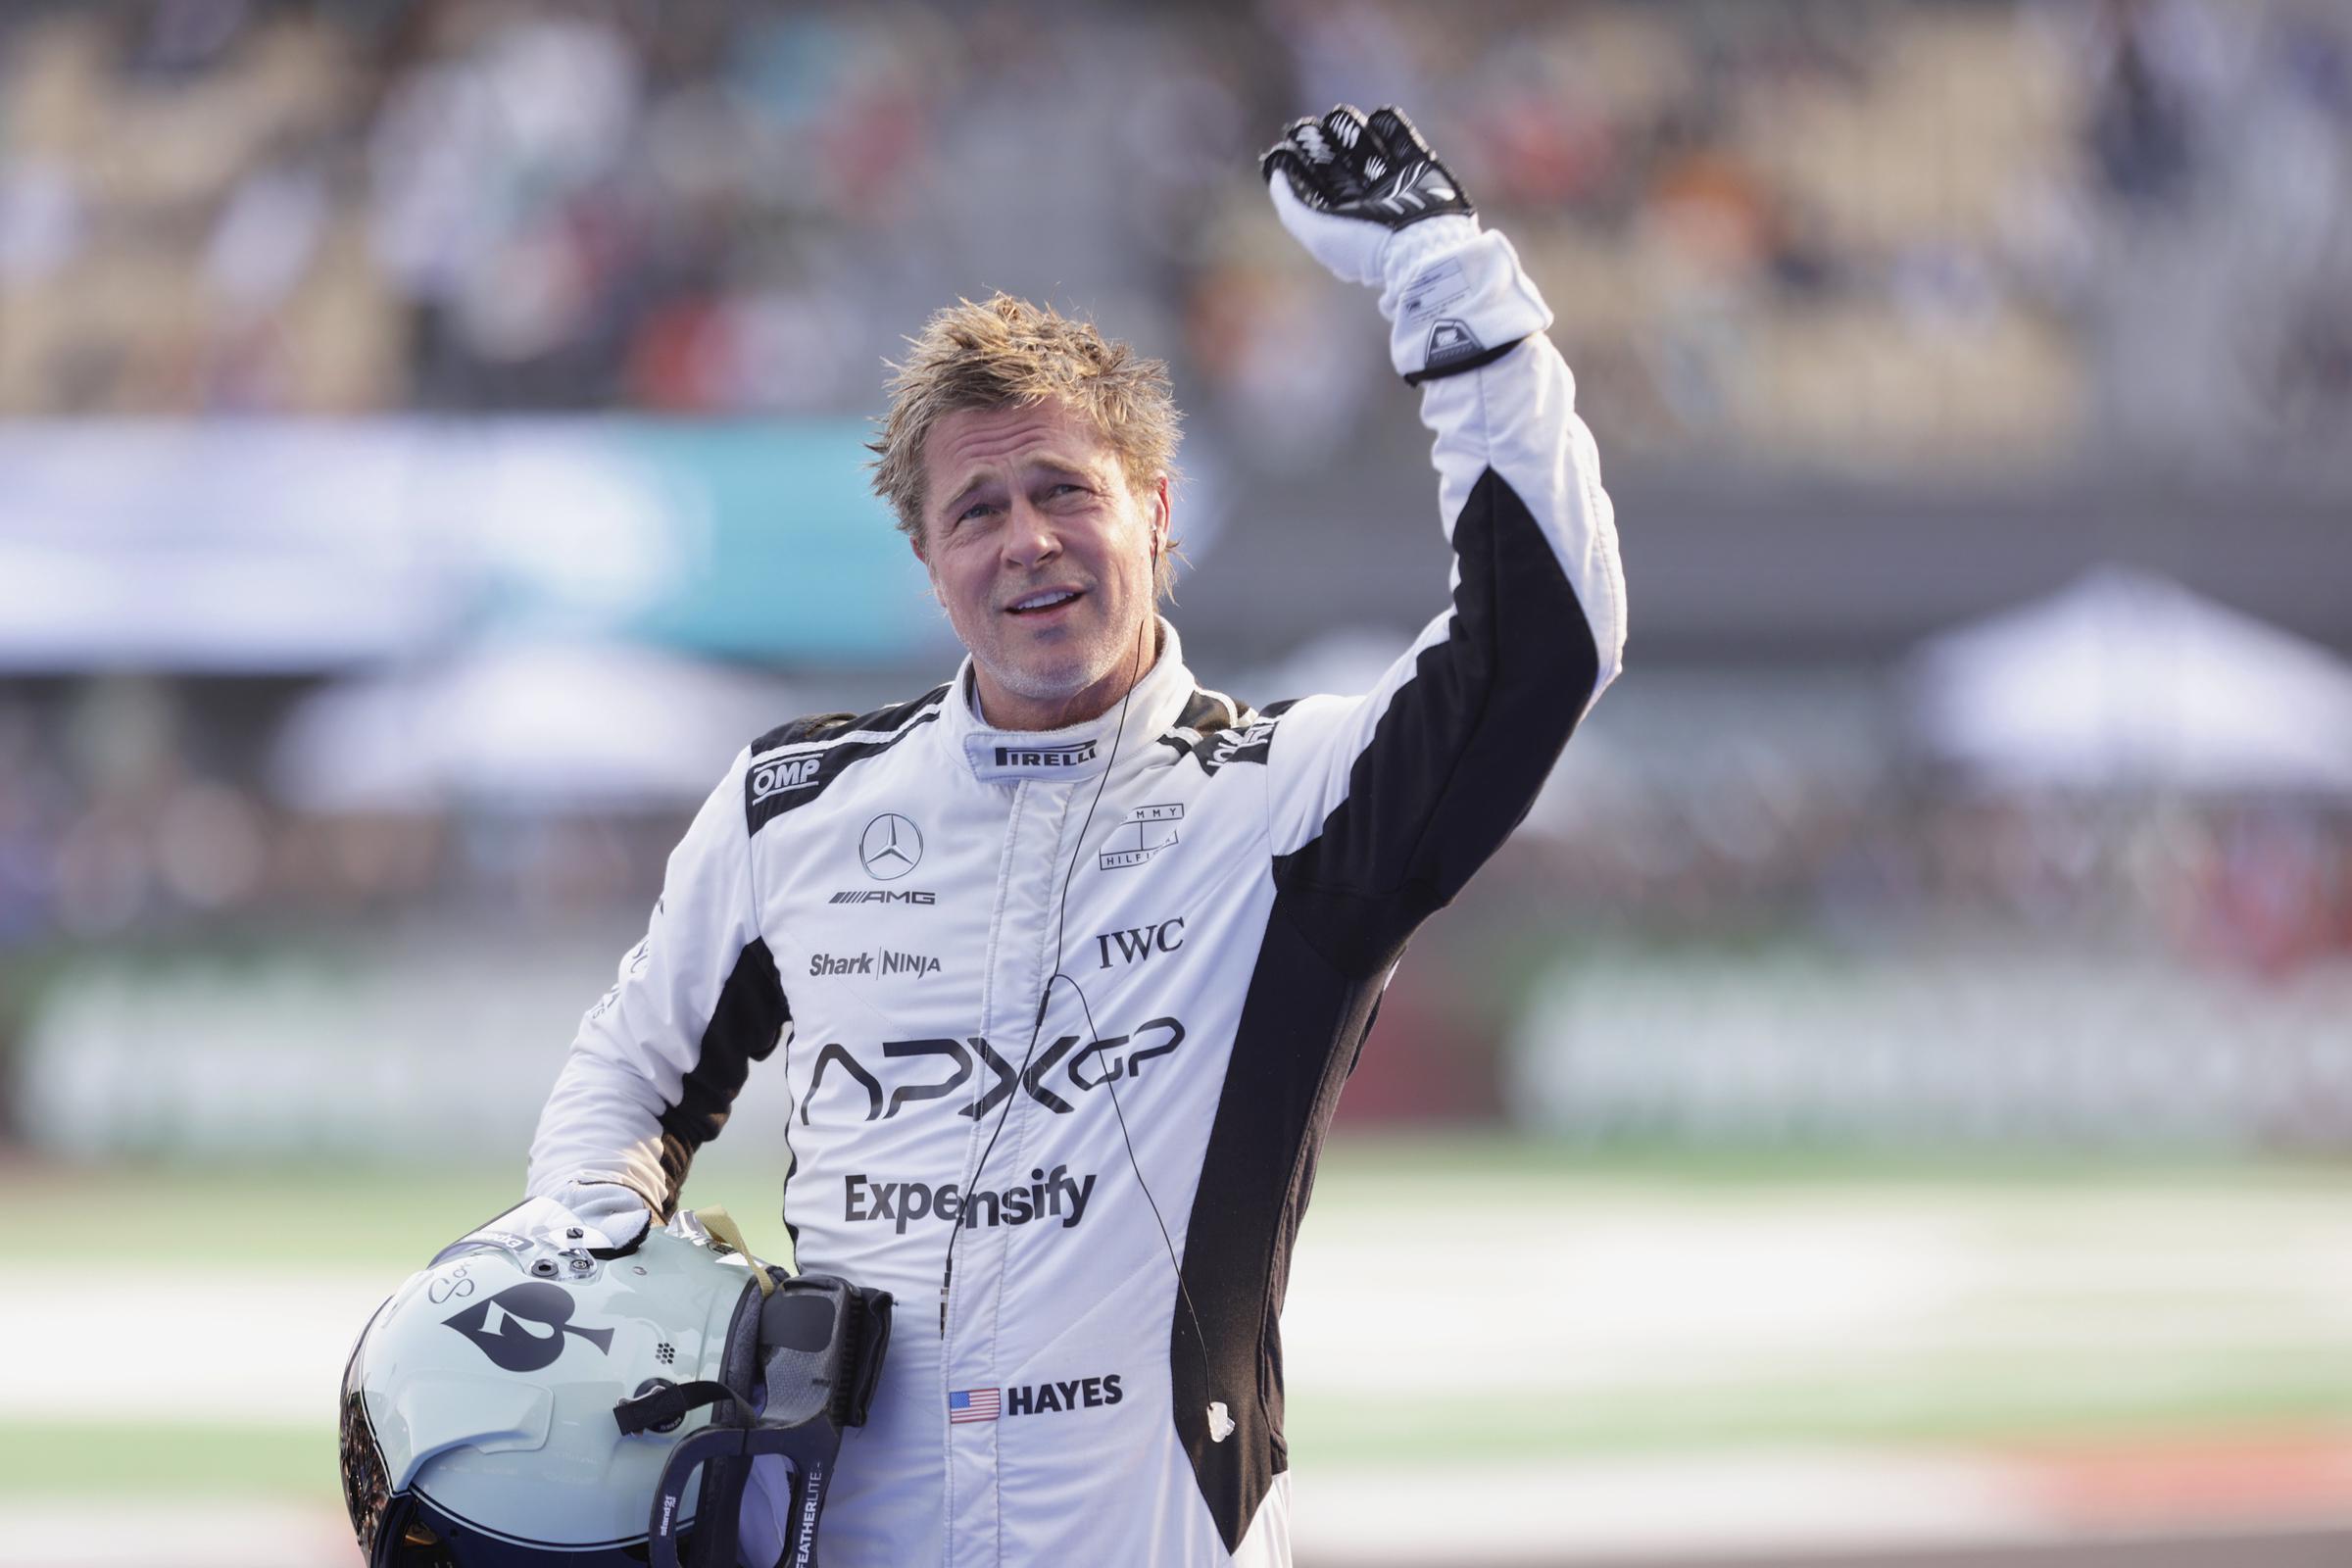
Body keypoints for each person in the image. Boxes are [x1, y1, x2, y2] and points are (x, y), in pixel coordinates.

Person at [527, 105, 1625, 1567]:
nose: (1027, 540)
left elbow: (1546, 643)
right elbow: (630, 1074)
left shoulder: (1290, 797)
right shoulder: (791, 805)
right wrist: (595, 1256)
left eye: (1065, 491)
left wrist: (1449, 284)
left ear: (1156, 514)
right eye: (976, 509)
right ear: (929, 564)